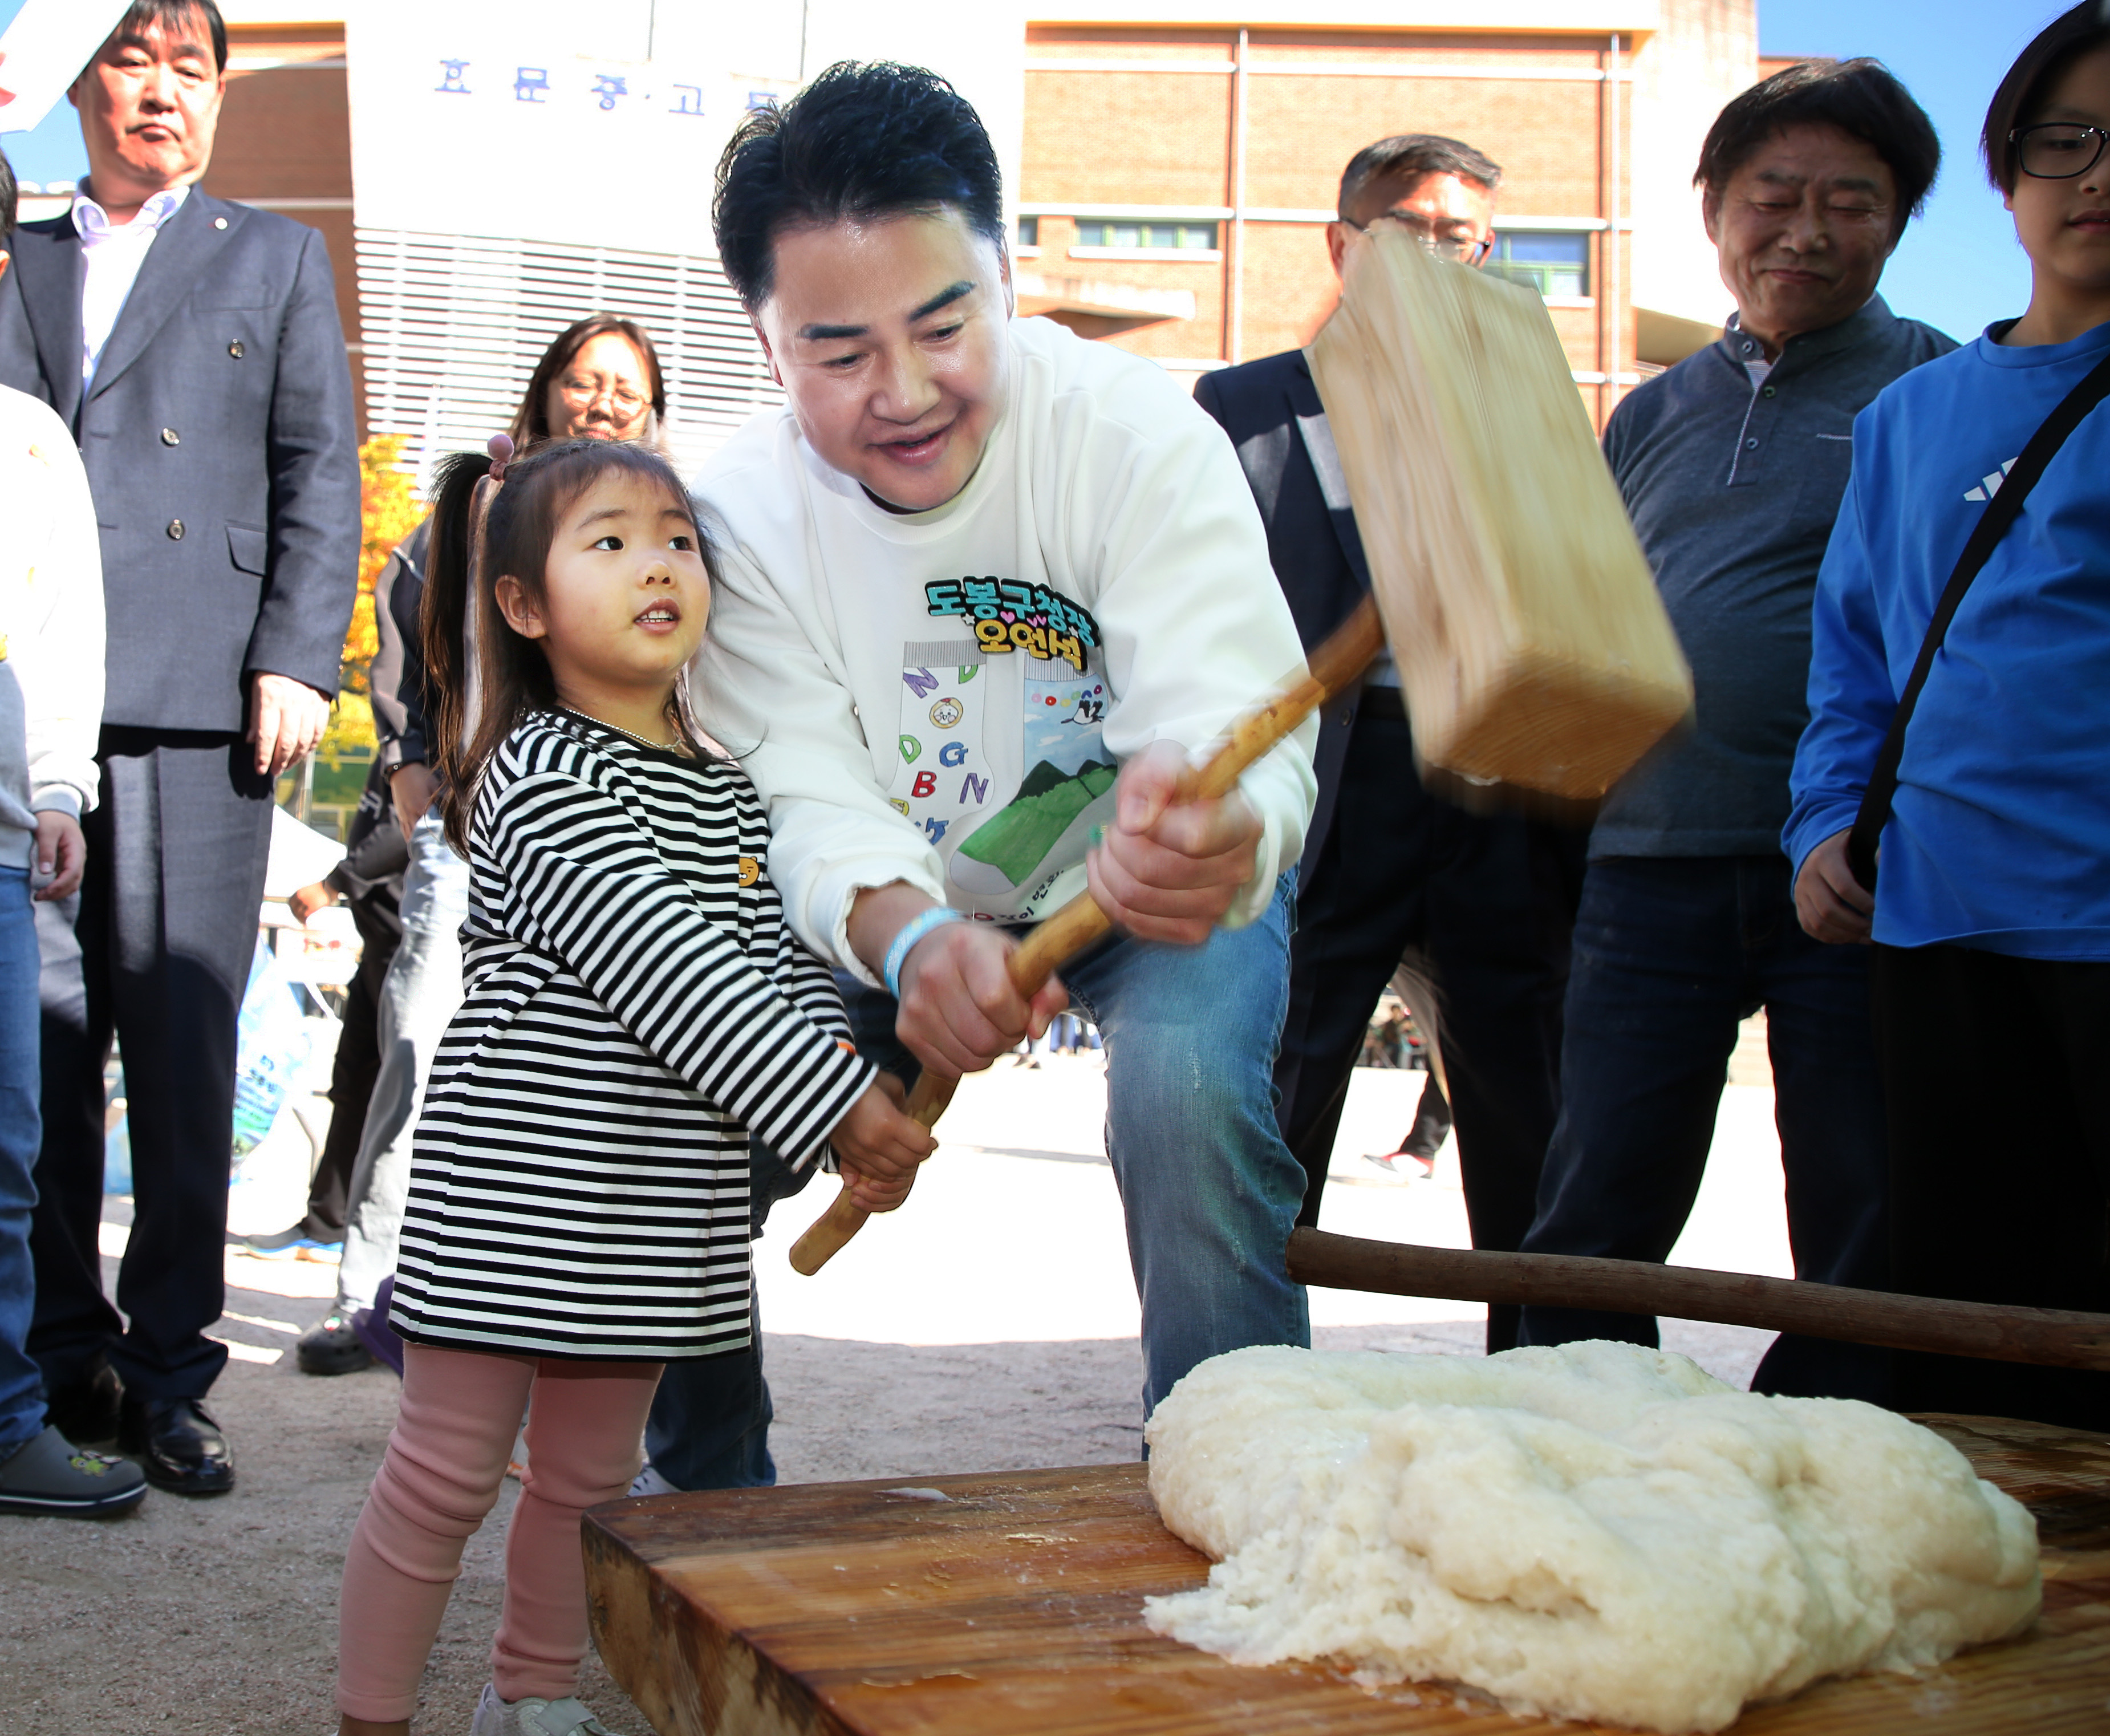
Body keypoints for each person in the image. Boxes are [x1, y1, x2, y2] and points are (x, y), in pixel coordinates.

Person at [691, 63, 1317, 1422]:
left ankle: (1251, 1462)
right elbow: (796, 782)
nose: (905, 392)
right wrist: (913, 939)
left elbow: (1226, 701)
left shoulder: (1136, 430)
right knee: (697, 1086)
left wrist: (1218, 822)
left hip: (1139, 891)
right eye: (839, 353)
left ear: (1004, 279)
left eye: (942, 323)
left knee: (1188, 1087)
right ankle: (696, 1485)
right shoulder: (730, 513)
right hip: (888, 909)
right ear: (765, 345)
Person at [332, 436, 928, 1736]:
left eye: (675, 539)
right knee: (443, 1475)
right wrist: (837, 1105)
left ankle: (530, 1695)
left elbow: (769, 979)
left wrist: (874, 1074)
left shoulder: (729, 790)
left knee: (588, 1485)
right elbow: (676, 969)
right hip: (515, 1210)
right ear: (524, 605)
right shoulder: (543, 776)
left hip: (651, 1223)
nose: (657, 563)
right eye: (609, 541)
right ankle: (370, 1715)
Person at [1517, 60, 1952, 1402]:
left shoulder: (1936, 390)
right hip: (1645, 858)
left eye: (1850, 202)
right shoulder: (1649, 411)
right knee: (1596, 1183)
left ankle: (1836, 1441)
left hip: (1852, 869)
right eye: (1773, 195)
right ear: (1712, 210)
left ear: (1893, 224)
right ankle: (1566, 1429)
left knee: (1859, 1190)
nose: (1805, 231)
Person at [0, 0, 359, 1492]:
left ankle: (170, 1367)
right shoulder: (16, 249)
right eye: (135, 59)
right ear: (81, 88)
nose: (163, 89)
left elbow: (316, 466)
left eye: (193, 66)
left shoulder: (270, 254)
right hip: (36, 701)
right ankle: (69, 1348)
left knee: (186, 1036)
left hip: (203, 697)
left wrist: (293, 656)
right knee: (51, 1049)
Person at [1194, 134, 1582, 1352]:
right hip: (1321, 787)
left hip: (1491, 794)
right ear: (1341, 246)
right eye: (1407, 231)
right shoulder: (1238, 409)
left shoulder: (1523, 402)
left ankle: (1551, 1384)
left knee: (1528, 1109)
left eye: (1461, 239)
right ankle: (1243, 1382)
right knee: (1280, 1099)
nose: (1436, 257)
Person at [1787, 5, 2110, 1430]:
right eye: (2066, 140)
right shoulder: (1911, 415)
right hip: (1931, 920)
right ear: (2008, 173)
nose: (2097, 175)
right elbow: (1853, 653)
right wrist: (1817, 824)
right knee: (1964, 1313)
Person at [298, 314, 669, 1377]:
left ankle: (549, 1318)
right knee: (419, 1043)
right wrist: (415, 767)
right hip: (470, 827)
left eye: (625, 388)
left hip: (613, 837)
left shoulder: (666, 521)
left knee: (587, 1084)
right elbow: (408, 622)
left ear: (652, 413)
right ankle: (369, 1293)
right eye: (585, 378)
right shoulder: (479, 505)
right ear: (548, 386)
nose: (602, 399)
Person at [0, 145, 143, 1519]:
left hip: (1, 858)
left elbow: (60, 640)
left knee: (11, 1146)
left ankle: (3, 1420)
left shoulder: (29, 443)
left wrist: (58, 790)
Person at [238, 762, 407, 1266]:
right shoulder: (398, 735)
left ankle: (379, 1248)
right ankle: (329, 1222)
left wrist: (337, 881)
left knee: (399, 1099)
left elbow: (421, 815)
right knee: (352, 1086)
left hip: (413, 943)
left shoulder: (431, 719)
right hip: (381, 941)